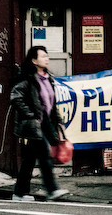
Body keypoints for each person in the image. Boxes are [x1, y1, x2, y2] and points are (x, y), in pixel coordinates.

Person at [10, 45, 69, 202]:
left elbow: (52, 103)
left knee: (29, 161)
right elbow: (15, 97)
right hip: (32, 126)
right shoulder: (28, 78)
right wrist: (30, 115)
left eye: (47, 56)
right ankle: (52, 190)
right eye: (43, 56)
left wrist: (59, 122)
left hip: (44, 124)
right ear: (34, 60)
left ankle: (19, 193)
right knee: (44, 156)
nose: (47, 58)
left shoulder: (47, 78)